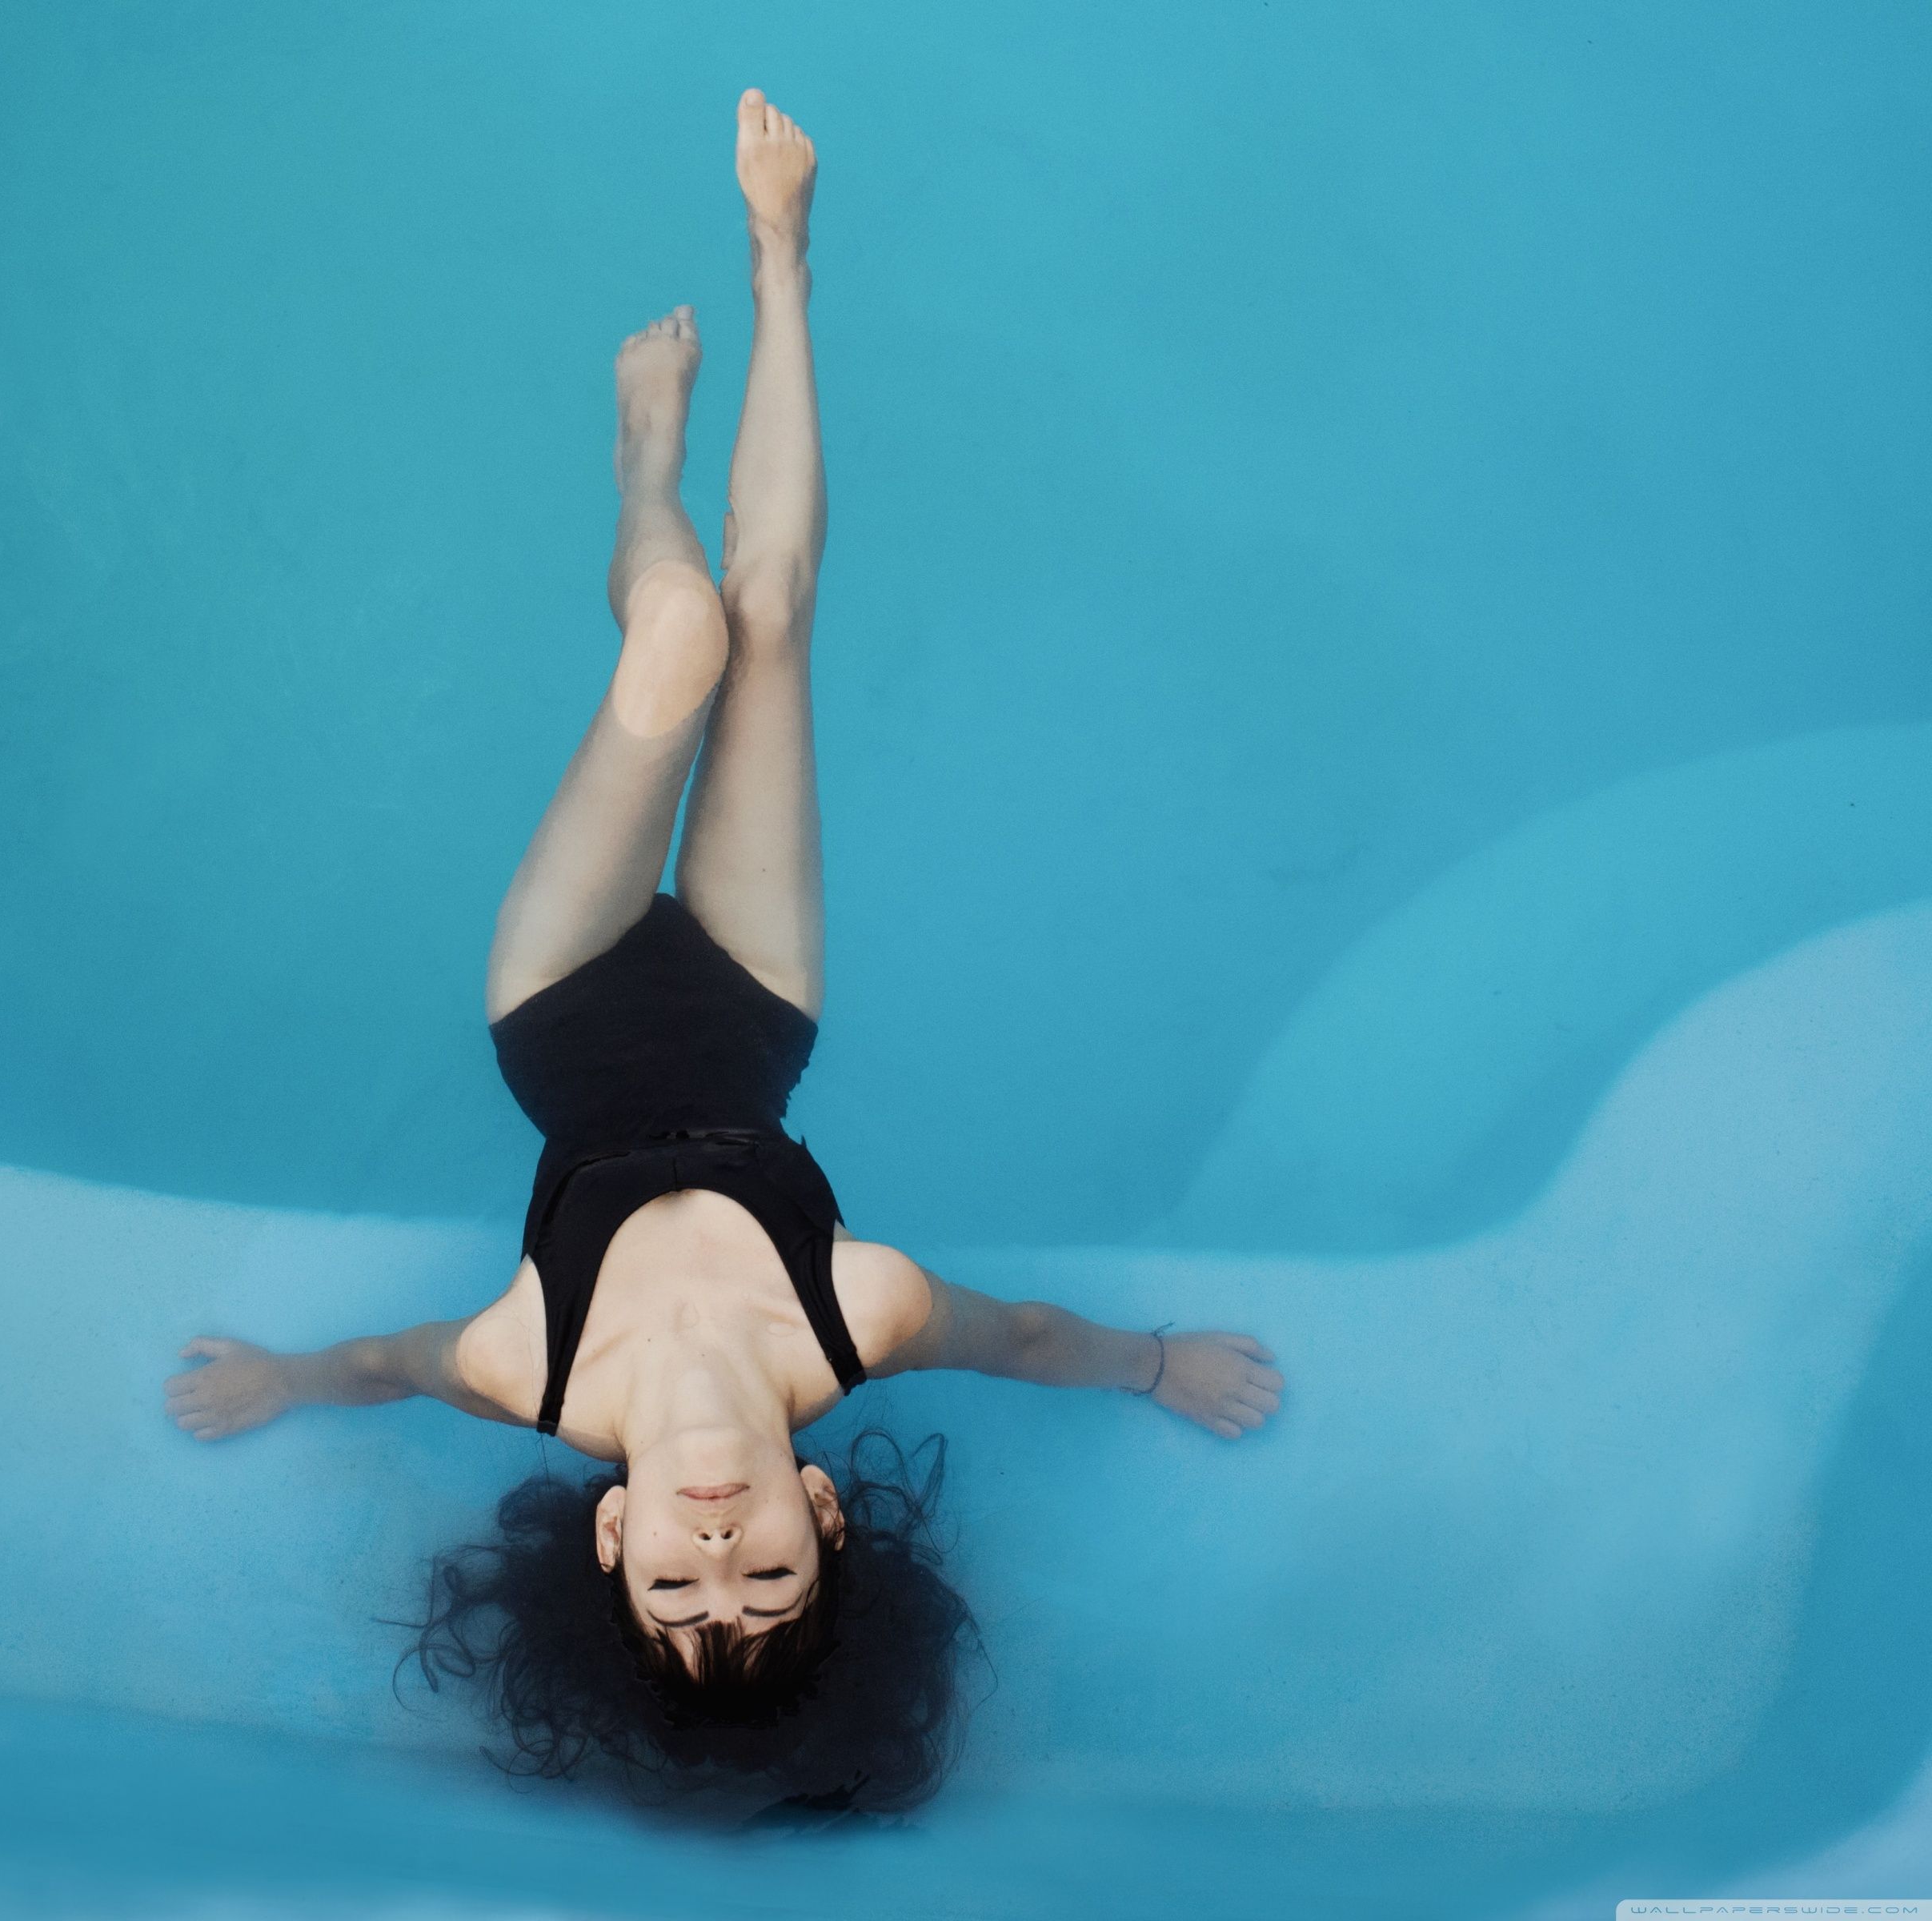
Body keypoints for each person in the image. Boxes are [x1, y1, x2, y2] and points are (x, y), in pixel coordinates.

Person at [164, 87, 1285, 1817]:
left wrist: (284, 1382)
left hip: (560, 1011)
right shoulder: (861, 1316)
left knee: (678, 634)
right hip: (755, 1020)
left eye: (671, 1589)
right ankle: (780, 263)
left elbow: (388, 1363)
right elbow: (1037, 1338)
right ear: (823, 1517)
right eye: (764, 1581)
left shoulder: (533, 1373)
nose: (713, 1556)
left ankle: (638, 475)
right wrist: (1159, 1369)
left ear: (607, 1536)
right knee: (770, 623)